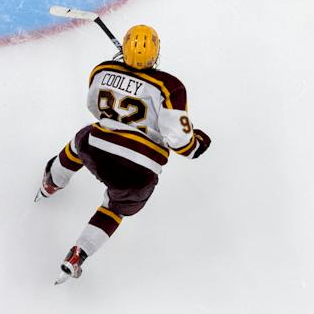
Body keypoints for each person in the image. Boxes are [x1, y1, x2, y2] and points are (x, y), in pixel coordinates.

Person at [36, 23, 210, 281]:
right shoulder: (170, 87)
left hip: (98, 146)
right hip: (140, 168)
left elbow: (94, 108)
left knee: (80, 141)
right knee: (113, 209)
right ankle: (79, 253)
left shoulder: (103, 69)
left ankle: (52, 182)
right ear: (156, 53)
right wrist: (198, 144)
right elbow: (181, 143)